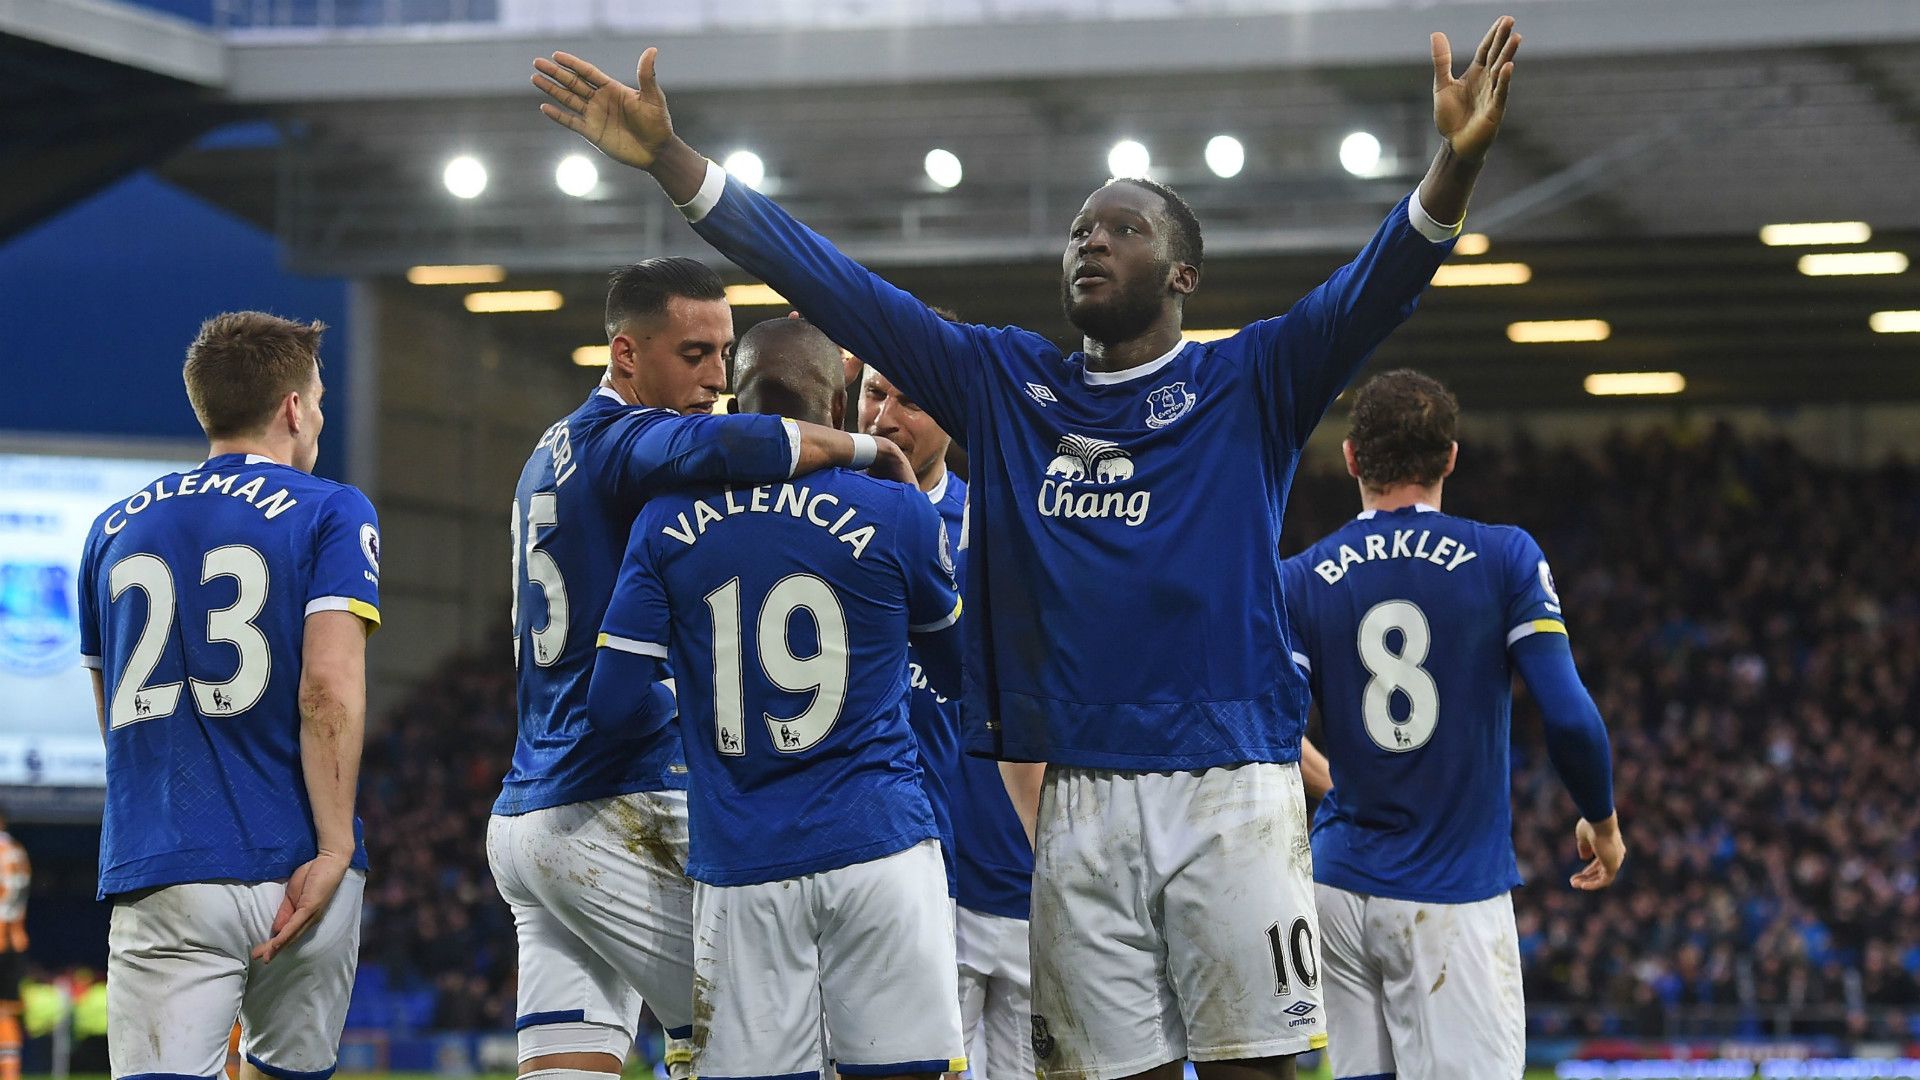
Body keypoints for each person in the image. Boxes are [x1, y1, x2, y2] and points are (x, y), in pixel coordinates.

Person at [533, 18, 1518, 1078]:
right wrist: (675, 163)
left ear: (1182, 273)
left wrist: (1456, 162)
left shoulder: (1251, 380)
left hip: (1230, 784)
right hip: (1078, 796)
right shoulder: (1008, 385)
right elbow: (830, 281)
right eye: (1081, 230)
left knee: (1254, 1067)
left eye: (1124, 229)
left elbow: (1381, 282)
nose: (1091, 241)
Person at [487, 259, 908, 1080]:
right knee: (767, 1042)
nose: (717, 379)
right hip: (618, 796)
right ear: (625, 355)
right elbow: (734, 442)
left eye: (724, 353)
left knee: (572, 1066)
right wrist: (862, 447)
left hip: (532, 815)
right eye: (694, 354)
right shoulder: (622, 441)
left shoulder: (552, 449)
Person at [588, 317, 967, 1080]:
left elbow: (611, 706)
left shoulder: (663, 521)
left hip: (741, 860)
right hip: (881, 845)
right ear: (838, 409)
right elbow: (960, 674)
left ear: (735, 408)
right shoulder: (898, 512)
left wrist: (699, 700)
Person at [1281, 369, 1624, 1080]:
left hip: (1336, 889)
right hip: (1449, 894)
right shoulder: (1504, 558)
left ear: (1351, 458)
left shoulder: (1302, 577)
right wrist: (1603, 819)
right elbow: (1569, 719)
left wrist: (1334, 785)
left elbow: (1267, 730)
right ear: (1451, 457)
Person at [78, 312, 376, 1080]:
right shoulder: (331, 509)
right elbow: (327, 688)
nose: (319, 415)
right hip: (298, 860)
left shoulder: (111, 530)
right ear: (292, 409)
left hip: (166, 860)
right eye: (318, 399)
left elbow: (113, 713)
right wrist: (336, 846)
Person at [859, 365, 1041, 1080]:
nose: (886, 416)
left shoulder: (1003, 527)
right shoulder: (822, 520)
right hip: (894, 870)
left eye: (911, 399)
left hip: (1012, 873)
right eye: (875, 394)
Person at [0, 811, 27, 1080]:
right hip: (14, 940)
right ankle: (10, 1074)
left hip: (2, 936)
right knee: (7, 1011)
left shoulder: (3, 852)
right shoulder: (18, 851)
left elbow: (6, 892)